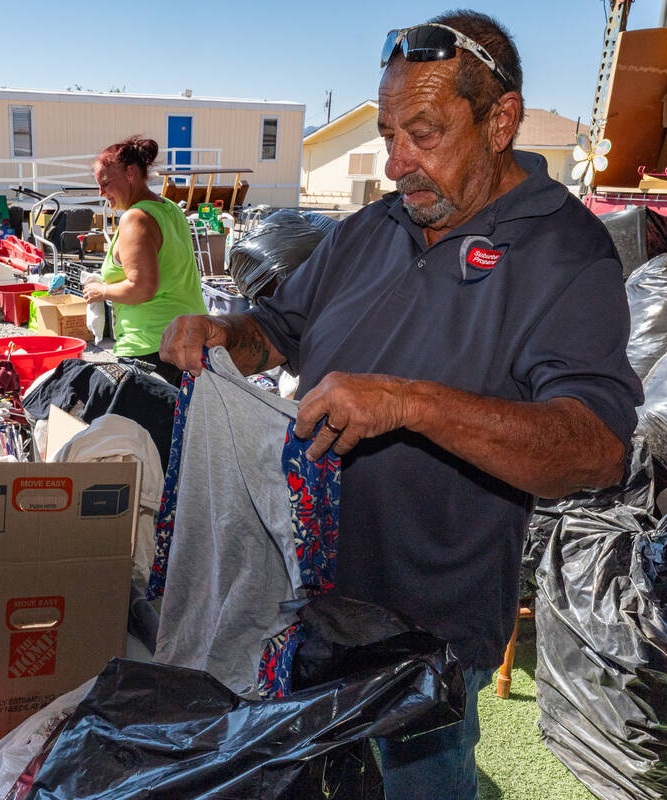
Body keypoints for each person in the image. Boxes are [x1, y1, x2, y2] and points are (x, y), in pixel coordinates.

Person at [161, 11, 641, 800]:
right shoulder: (374, 228)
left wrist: (411, 403)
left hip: (431, 631)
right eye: (388, 134)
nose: (395, 163)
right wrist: (221, 333)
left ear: (501, 122)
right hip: (310, 598)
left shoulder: (566, 255)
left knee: (419, 784)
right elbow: (278, 330)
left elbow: (592, 449)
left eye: (422, 133)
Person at [82, 136, 207, 385]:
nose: (101, 192)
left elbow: (142, 288)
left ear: (130, 173)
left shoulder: (136, 218)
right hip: (192, 336)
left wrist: (101, 291)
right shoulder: (169, 207)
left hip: (151, 346)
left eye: (106, 183)